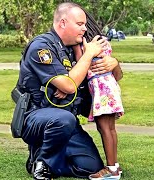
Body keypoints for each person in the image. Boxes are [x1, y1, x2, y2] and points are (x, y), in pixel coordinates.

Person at [16, 2, 122, 179]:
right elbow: (69, 85)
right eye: (80, 24)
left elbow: (114, 77)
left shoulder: (75, 50)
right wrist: (88, 55)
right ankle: (42, 162)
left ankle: (51, 162)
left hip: (67, 122)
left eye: (85, 25)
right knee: (63, 119)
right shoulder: (42, 48)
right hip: (38, 118)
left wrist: (114, 64)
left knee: (91, 166)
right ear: (63, 23)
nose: (84, 29)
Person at [73, 10, 124, 180]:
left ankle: (110, 170)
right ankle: (115, 166)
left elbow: (81, 64)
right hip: (110, 87)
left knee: (104, 129)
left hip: (101, 90)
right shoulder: (103, 42)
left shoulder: (84, 44)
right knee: (110, 129)